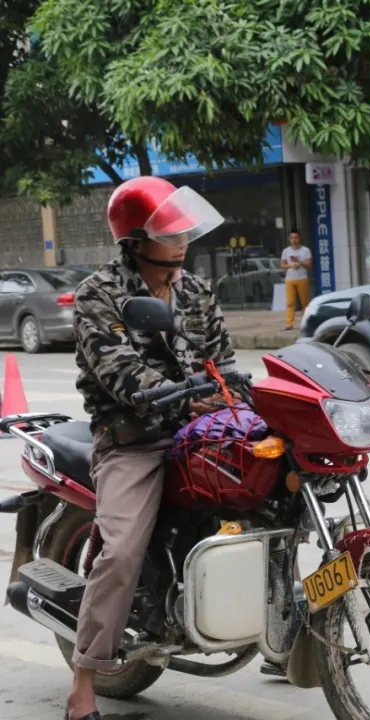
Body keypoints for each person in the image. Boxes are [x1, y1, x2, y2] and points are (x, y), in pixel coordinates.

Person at [66, 176, 236, 720]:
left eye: (182, 225)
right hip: (134, 440)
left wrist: (240, 395)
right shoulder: (100, 295)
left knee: (278, 505)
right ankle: (85, 681)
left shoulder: (195, 290)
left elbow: (223, 361)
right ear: (136, 239)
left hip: (204, 431)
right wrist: (187, 403)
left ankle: (283, 629)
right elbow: (123, 377)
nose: (182, 237)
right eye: (167, 229)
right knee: (119, 551)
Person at [280, 228, 312, 330]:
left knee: (304, 302)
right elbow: (282, 265)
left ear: (299, 238)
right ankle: (290, 323)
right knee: (290, 302)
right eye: (292, 238)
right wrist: (290, 265)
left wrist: (300, 262)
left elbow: (309, 264)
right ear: (289, 239)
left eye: (296, 237)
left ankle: (306, 322)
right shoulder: (286, 251)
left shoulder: (305, 250)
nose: (294, 240)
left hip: (302, 278)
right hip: (290, 279)